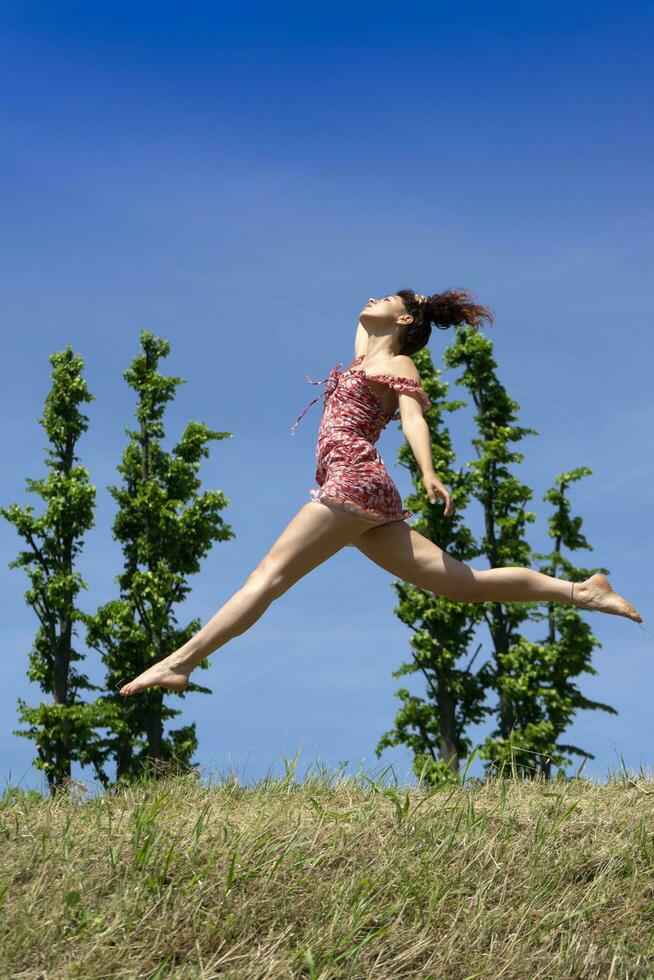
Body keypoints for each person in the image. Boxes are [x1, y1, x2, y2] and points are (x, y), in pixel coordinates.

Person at [119, 288, 643, 696]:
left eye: (386, 299)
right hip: (362, 492)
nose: (371, 300)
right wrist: (404, 309)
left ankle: (178, 663)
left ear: (405, 321)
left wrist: (429, 471)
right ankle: (583, 591)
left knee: (267, 577)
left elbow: (413, 419)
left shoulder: (397, 365)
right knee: (463, 584)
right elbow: (366, 324)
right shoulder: (364, 357)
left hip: (353, 480)